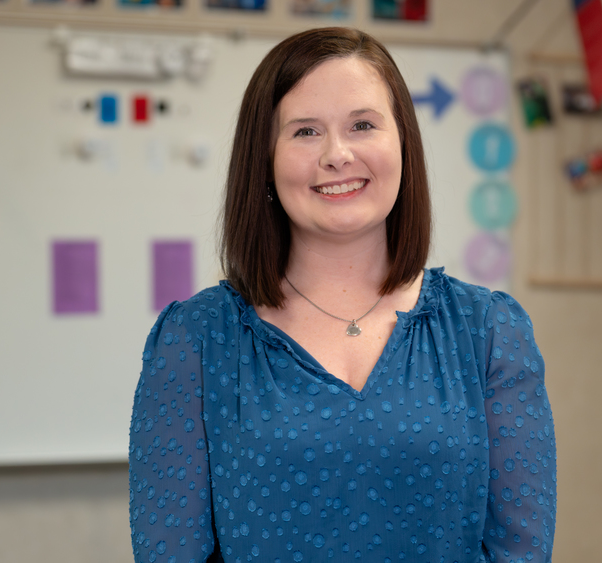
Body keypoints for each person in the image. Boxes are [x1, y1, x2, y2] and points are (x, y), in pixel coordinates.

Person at [129, 27, 556, 563]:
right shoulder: (194, 340)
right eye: (305, 131)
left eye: (362, 125)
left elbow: (521, 550)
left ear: (403, 143)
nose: (337, 154)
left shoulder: (489, 331)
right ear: (264, 160)